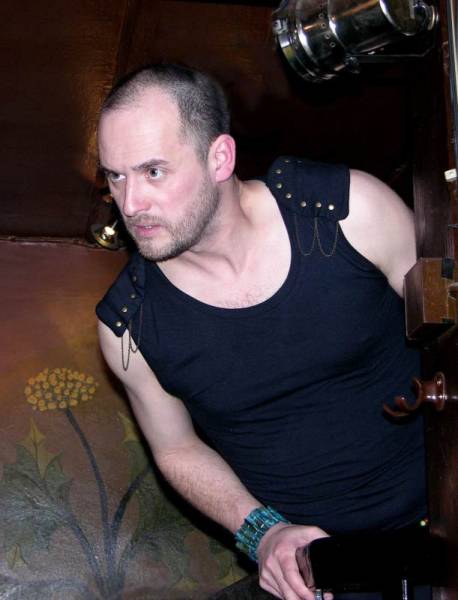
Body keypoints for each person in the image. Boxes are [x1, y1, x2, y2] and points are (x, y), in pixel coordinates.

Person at [96, 63, 426, 600]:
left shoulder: (348, 213)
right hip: (318, 575)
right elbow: (177, 449)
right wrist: (264, 533)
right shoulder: (127, 326)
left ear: (220, 158)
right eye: (115, 176)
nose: (130, 204)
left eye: (153, 171)